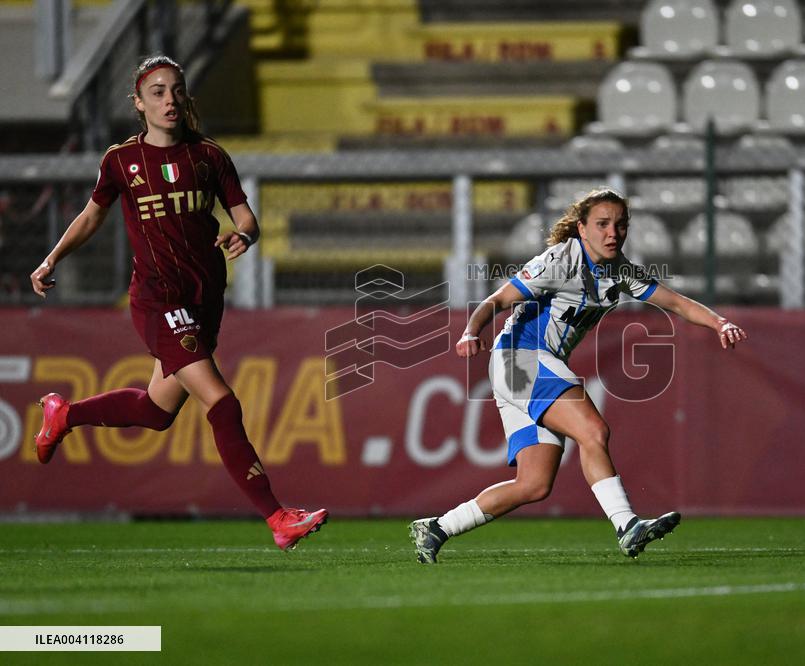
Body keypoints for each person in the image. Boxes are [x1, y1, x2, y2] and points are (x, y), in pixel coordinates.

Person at [29, 55, 327, 551]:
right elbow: (90, 216)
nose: (170, 100)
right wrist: (52, 257)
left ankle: (66, 414)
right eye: (159, 92)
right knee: (221, 399)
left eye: (177, 90)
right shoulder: (121, 161)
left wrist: (244, 237)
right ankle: (277, 516)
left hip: (205, 298)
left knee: (156, 411)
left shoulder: (209, 156)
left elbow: (245, 217)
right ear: (140, 103)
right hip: (158, 297)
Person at [409, 188, 747, 563]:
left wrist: (719, 322)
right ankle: (627, 525)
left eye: (620, 225)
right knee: (593, 430)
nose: (612, 233)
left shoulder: (619, 271)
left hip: (524, 367)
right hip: (519, 359)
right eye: (602, 224)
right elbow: (497, 300)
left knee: (534, 485)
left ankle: (438, 527)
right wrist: (471, 331)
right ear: (582, 229)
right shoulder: (558, 261)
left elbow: (677, 303)